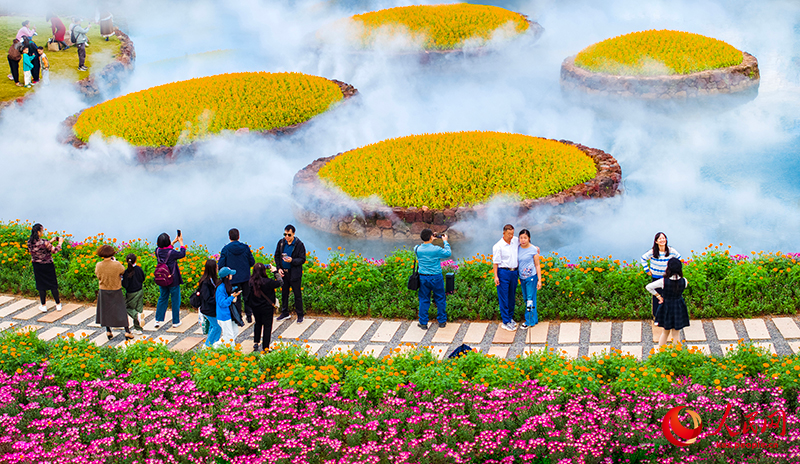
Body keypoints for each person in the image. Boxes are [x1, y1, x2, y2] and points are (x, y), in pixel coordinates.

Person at [646, 258, 689, 346]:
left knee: (665, 332)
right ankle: (676, 354)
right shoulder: (684, 281)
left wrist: (658, 297)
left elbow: (649, 287)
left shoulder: (663, 281)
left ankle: (661, 352)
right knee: (676, 333)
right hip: (678, 306)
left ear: (668, 268)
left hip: (666, 307)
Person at [94, 245, 133, 340]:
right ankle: (127, 331)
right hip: (116, 289)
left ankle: (108, 331)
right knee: (121, 311)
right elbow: (123, 271)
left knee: (106, 311)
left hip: (103, 290)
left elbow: (98, 275)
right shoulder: (117, 264)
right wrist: (115, 262)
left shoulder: (99, 265)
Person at [415, 229, 451, 330]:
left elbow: (424, 245)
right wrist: (445, 241)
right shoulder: (436, 249)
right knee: (440, 298)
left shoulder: (417, 248)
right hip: (436, 277)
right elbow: (448, 253)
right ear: (431, 237)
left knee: (424, 299)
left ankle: (423, 323)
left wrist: (430, 239)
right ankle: (442, 321)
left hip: (423, 277)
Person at [218, 228, 255, 323]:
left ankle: (238, 318)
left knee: (236, 297)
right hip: (246, 277)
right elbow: (252, 262)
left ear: (229, 237)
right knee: (247, 296)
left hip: (232, 278)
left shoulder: (225, 249)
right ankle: (249, 316)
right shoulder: (245, 247)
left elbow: (221, 265)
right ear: (239, 237)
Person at [640, 232, 681, 319]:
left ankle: (667, 316)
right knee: (656, 297)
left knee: (668, 296)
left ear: (666, 240)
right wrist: (647, 270)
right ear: (656, 241)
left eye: (664, 238)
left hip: (667, 277)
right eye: (660, 239)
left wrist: (675, 271)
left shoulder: (671, 250)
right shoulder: (652, 252)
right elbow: (643, 258)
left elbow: (679, 259)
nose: (662, 240)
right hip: (656, 276)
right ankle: (656, 316)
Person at [27, 223, 63, 313]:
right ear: (39, 232)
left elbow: (40, 247)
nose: (43, 232)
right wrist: (60, 243)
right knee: (52, 284)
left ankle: (43, 305)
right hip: (48, 265)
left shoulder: (29, 242)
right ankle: (58, 304)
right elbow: (54, 250)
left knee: (41, 285)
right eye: (42, 230)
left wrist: (51, 241)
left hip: (37, 266)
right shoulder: (44, 242)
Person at [274, 225, 306, 324]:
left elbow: (302, 259)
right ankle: (285, 313)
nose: (287, 236)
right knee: (284, 294)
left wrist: (292, 260)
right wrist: (279, 268)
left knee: (297, 295)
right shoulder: (281, 242)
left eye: (289, 235)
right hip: (284, 273)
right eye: (285, 234)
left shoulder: (299, 244)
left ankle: (300, 315)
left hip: (294, 273)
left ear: (293, 234)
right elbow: (277, 256)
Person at [248, 263, 283, 352]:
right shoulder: (268, 282)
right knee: (267, 327)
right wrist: (275, 272)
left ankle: (256, 342)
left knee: (258, 323)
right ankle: (265, 347)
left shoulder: (251, 281)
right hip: (267, 307)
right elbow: (280, 282)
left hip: (255, 307)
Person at [154, 232, 186, 328]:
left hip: (162, 278)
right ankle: (175, 321)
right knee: (175, 299)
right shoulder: (172, 253)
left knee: (163, 297)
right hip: (173, 279)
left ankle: (157, 320)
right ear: (167, 241)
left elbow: (165, 249)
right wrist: (181, 243)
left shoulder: (157, 251)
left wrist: (173, 243)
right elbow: (182, 254)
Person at [492, 224, 519, 331]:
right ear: (504, 233)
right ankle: (505, 321)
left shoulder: (515, 240)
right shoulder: (498, 246)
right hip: (503, 272)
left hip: (514, 272)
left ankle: (510, 318)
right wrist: (496, 276)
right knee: (504, 296)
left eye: (512, 234)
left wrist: (535, 248)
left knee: (512, 296)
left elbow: (524, 242)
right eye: (509, 234)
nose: (511, 236)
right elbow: (495, 263)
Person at [517, 229, 542, 329]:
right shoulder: (518, 248)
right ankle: (534, 319)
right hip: (522, 278)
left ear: (529, 238)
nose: (523, 240)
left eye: (525, 238)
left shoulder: (533, 250)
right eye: (521, 238)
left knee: (529, 300)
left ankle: (529, 321)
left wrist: (539, 280)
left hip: (531, 277)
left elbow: (537, 265)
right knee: (527, 299)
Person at [197, 259, 221, 349]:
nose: (217, 269)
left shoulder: (212, 279)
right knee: (217, 327)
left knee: (212, 326)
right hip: (208, 309)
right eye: (216, 267)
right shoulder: (205, 282)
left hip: (211, 308)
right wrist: (218, 301)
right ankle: (207, 345)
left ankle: (212, 345)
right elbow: (207, 298)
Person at [216, 267, 242, 347]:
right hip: (224, 316)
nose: (232, 275)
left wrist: (233, 297)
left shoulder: (225, 286)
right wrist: (231, 297)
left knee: (234, 332)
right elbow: (222, 303)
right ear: (227, 276)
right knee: (229, 335)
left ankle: (218, 347)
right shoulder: (221, 288)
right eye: (230, 274)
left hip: (228, 314)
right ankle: (230, 350)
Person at [121, 253, 145, 334]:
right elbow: (143, 278)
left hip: (131, 293)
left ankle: (136, 316)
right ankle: (138, 329)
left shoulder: (126, 272)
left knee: (126, 307)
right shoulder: (139, 269)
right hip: (140, 291)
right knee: (139, 309)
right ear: (136, 260)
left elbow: (125, 285)